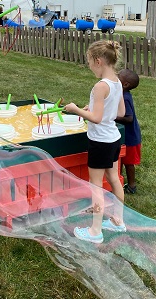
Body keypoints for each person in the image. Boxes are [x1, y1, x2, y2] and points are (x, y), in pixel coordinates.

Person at [64, 40, 126, 243]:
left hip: (100, 142)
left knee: (96, 185)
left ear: (98, 61)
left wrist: (76, 110)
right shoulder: (116, 81)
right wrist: (92, 109)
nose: (90, 67)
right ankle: (118, 221)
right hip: (114, 138)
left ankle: (95, 231)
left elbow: (97, 118)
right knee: (115, 179)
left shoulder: (100, 86)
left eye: (89, 62)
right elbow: (120, 112)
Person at [115, 69, 141, 194]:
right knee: (119, 159)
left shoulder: (125, 98)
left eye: (118, 77)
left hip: (131, 138)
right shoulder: (121, 94)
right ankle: (118, 181)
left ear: (125, 84)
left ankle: (132, 186)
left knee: (128, 163)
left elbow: (129, 118)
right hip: (123, 136)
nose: (115, 77)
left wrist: (112, 116)